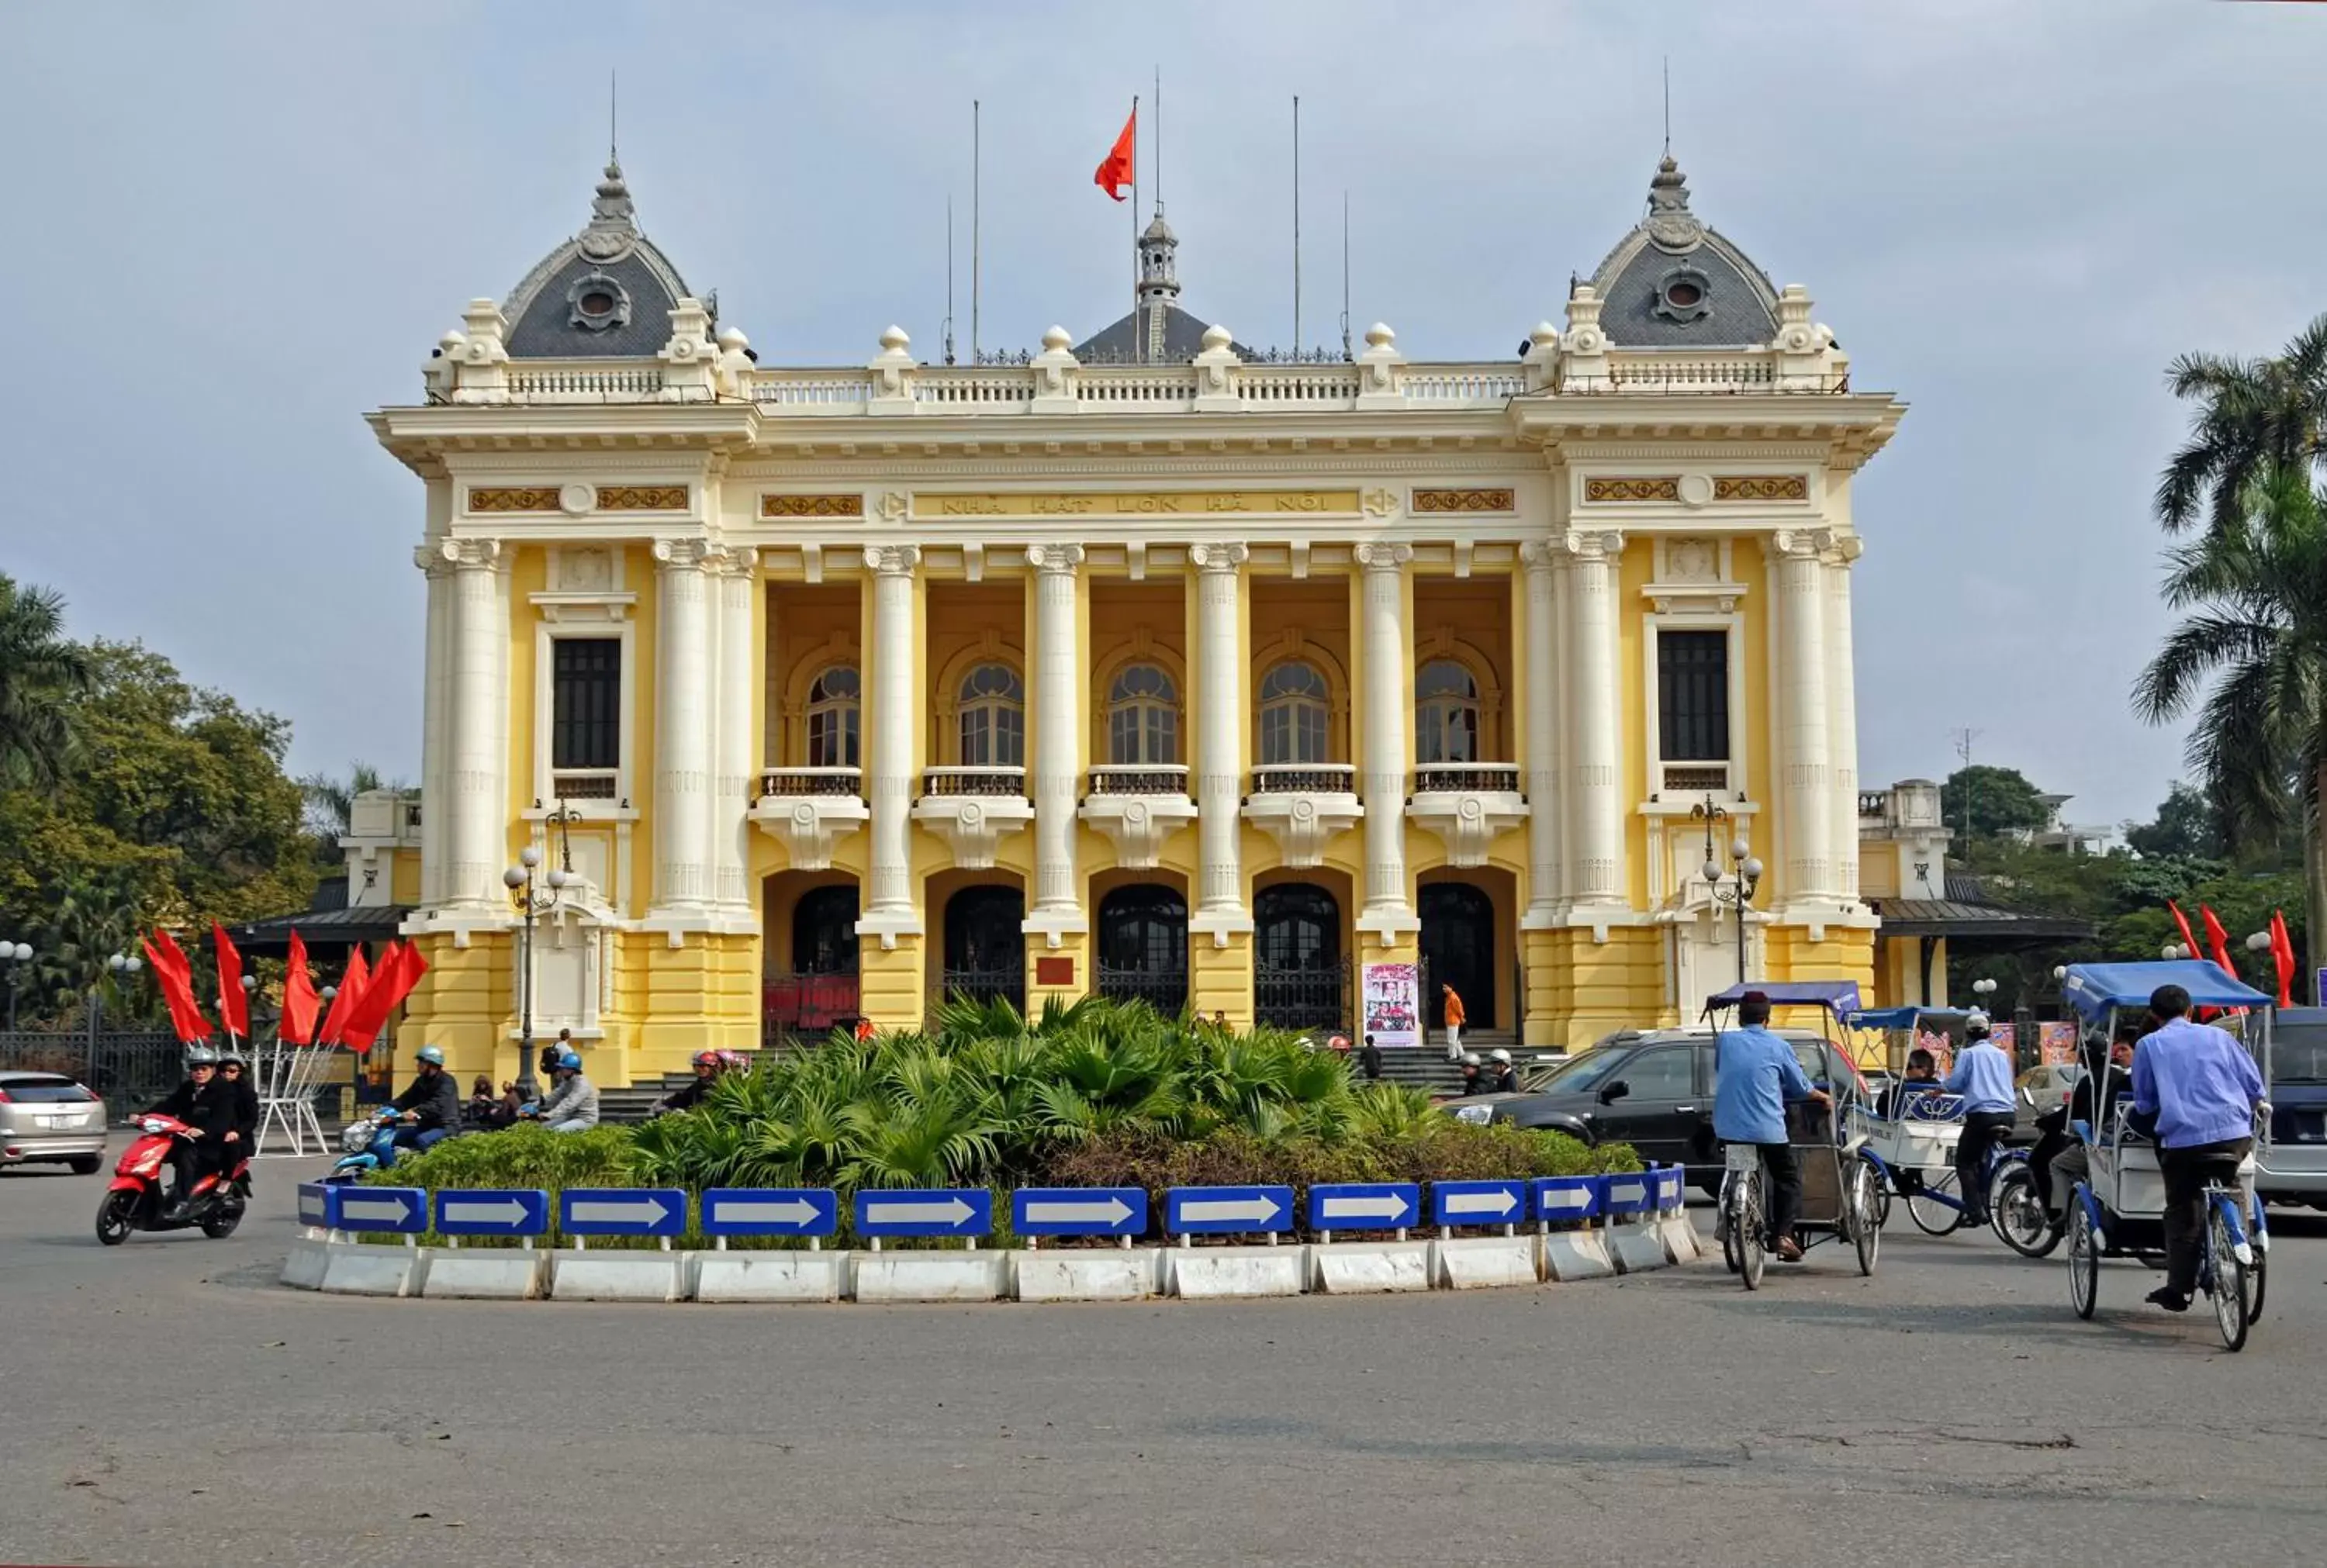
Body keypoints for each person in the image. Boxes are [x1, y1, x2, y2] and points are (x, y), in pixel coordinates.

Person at [2131, 983, 2266, 1313]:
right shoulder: (2220, 1038)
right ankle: (2238, 1232)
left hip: (2183, 1142)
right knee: (2230, 1184)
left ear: (2154, 1015)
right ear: (2190, 1011)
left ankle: (2179, 1289)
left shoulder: (2149, 1045)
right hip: (2234, 1135)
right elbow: (2254, 1088)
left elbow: (2145, 1104)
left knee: (2183, 1209)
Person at [1713, 990, 1831, 1262]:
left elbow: (1724, 1071)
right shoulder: (1778, 1046)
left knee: (1738, 1170)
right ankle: (1784, 1235)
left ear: (1741, 1018)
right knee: (1787, 1178)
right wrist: (1823, 1097)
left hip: (1729, 1129)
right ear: (1767, 1018)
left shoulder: (1725, 1041)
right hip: (1768, 1131)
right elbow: (1801, 1088)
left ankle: (1731, 1210)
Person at [2035, 1025, 2138, 1219]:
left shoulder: (2116, 1080)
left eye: (2125, 1049)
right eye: (2119, 1049)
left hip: (2113, 1143)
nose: (2120, 1053)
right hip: (2125, 1139)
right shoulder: (2121, 1078)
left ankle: (2065, 1216)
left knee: (2058, 1163)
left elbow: (2082, 1115)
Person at [144, 1047, 238, 1220]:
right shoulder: (188, 1088)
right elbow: (169, 1105)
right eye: (195, 1069)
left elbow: (223, 1119)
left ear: (213, 1069)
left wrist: (204, 1131)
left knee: (186, 1156)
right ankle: (150, 1199)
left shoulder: (224, 1090)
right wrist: (144, 1116)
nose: (199, 1073)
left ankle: (182, 1201)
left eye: (204, 1069)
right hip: (185, 1137)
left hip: (212, 1143)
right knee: (155, 1152)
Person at [1942, 1012, 2017, 1226]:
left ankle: (1975, 1211)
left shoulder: (1968, 1054)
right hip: (2008, 1113)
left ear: (1968, 1034)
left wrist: (1941, 1088)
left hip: (1982, 1115)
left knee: (1964, 1162)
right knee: (1982, 1156)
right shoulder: (2002, 1055)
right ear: (1989, 1032)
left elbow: (1956, 1083)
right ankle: (1984, 1197)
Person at [380, 1045, 462, 1163]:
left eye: (421, 1063)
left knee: (422, 1140)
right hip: (426, 1126)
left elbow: (438, 1104)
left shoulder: (447, 1081)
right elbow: (406, 1099)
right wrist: (384, 1109)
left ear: (432, 1065)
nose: (418, 1065)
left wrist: (415, 1112)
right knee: (394, 1138)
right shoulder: (421, 1081)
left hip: (446, 1127)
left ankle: (429, 1174)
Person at [529, 1049, 599, 1132]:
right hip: (570, 1117)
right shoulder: (567, 1081)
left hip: (585, 1119)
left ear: (572, 1070)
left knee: (556, 1131)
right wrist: (534, 1104)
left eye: (563, 1068)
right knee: (542, 1128)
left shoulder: (582, 1084)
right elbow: (555, 1095)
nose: (560, 1070)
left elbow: (569, 1103)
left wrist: (550, 1115)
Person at [216, 1051, 260, 1180]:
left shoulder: (246, 1094)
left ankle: (226, 1180)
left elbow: (252, 1120)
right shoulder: (212, 1090)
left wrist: (236, 1132)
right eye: (223, 1070)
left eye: (231, 1071)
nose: (226, 1074)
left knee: (231, 1148)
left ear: (240, 1072)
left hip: (237, 1138)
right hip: (214, 1135)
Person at [654, 1050, 728, 1116]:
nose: (698, 1069)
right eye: (695, 1066)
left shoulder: (719, 1085)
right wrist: (666, 1103)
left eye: (702, 1066)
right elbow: (685, 1096)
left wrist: (687, 1113)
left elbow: (708, 1106)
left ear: (712, 1067)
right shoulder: (700, 1083)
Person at [1441, 985, 1467, 1063]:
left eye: (1446, 987)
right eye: (1443, 987)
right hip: (1451, 1021)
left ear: (1451, 988)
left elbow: (1459, 1009)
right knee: (1456, 1040)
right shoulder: (1449, 997)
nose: (1444, 989)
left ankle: (1453, 1056)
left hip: (1453, 1021)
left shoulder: (1453, 997)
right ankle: (1462, 1055)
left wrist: (1462, 1017)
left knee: (1451, 1040)